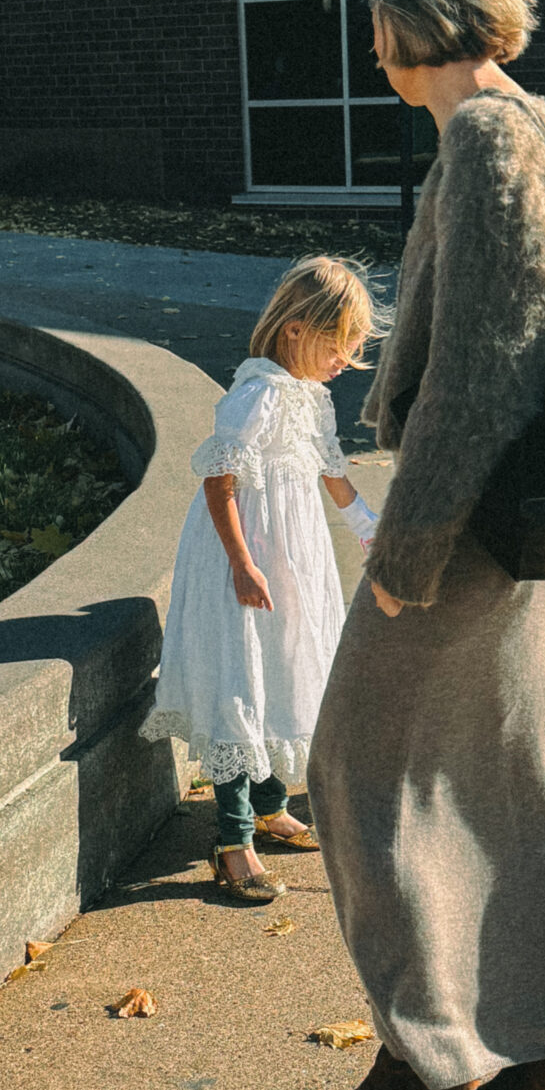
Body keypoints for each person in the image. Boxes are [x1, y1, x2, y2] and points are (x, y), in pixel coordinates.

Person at [302, 0, 545, 1090]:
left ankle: (428, 1049)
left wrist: (407, 553)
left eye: (371, 14)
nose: (366, 40)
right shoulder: (530, 126)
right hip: (528, 521)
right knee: (515, 768)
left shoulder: (487, 141)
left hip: (475, 529)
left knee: (357, 767)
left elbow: (486, 373)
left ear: (400, 15)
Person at [143, 258, 381, 904]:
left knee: (285, 672)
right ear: (298, 330)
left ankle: (273, 808)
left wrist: (370, 529)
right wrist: (242, 565)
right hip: (243, 559)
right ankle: (233, 839)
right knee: (241, 681)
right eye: (341, 345)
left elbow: (332, 473)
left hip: (295, 561)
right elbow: (220, 482)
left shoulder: (312, 398)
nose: (347, 360)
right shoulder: (259, 393)